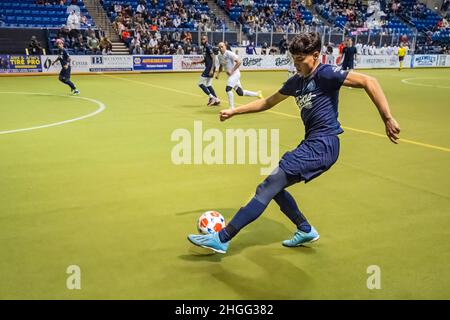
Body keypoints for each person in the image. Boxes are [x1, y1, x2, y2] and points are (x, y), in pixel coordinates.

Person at [188, 32, 400, 254]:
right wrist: (234, 111)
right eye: (294, 60)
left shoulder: (326, 74)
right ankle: (305, 229)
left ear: (316, 55)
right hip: (311, 144)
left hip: (324, 144)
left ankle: (222, 238)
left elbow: (369, 81)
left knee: (266, 186)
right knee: (275, 189)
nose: (296, 65)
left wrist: (387, 117)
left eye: (300, 60)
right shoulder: (296, 82)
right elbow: (268, 102)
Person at [215, 42, 262, 110]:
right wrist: (218, 74)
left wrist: (232, 71)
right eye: (219, 47)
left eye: (222, 46)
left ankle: (232, 108)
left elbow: (239, 62)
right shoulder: (219, 56)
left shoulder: (229, 53)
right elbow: (221, 66)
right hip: (231, 76)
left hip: (235, 74)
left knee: (228, 89)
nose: (220, 48)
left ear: (225, 46)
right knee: (240, 93)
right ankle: (257, 94)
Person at [192, 35, 220, 106]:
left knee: (200, 83)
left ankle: (212, 97)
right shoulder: (204, 48)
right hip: (210, 67)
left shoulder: (208, 46)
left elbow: (213, 58)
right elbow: (206, 59)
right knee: (208, 85)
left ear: (207, 39)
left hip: (210, 68)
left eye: (204, 39)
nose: (202, 40)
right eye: (201, 39)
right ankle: (216, 99)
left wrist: (211, 69)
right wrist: (197, 62)